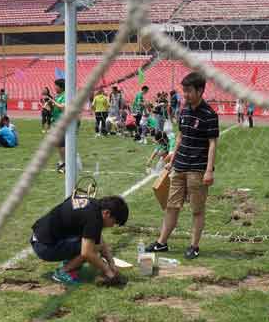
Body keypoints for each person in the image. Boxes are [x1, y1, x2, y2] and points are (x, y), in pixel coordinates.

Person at [146, 71, 219, 260]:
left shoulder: (210, 115)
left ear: (200, 90)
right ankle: (162, 243)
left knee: (197, 209)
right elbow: (180, 136)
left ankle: (194, 246)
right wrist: (173, 157)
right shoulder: (185, 109)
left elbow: (212, 143)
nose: (185, 95)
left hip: (198, 169)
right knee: (172, 205)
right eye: (183, 91)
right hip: (179, 166)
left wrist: (209, 170)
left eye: (188, 91)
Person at [31, 193, 129, 286]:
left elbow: (99, 238)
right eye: (114, 222)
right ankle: (62, 272)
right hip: (44, 247)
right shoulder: (94, 218)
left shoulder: (94, 205)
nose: (112, 226)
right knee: (91, 249)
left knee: (95, 243)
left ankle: (70, 262)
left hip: (40, 238)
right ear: (107, 213)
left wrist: (111, 263)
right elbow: (87, 253)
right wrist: (108, 272)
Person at [46, 78, 66, 172]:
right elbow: (54, 109)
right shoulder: (58, 96)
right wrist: (48, 105)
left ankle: (64, 163)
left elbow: (63, 108)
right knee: (59, 144)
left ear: (60, 87)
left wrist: (53, 101)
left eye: (56, 86)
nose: (55, 87)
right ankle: (63, 161)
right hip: (56, 122)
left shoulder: (65, 95)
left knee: (62, 144)